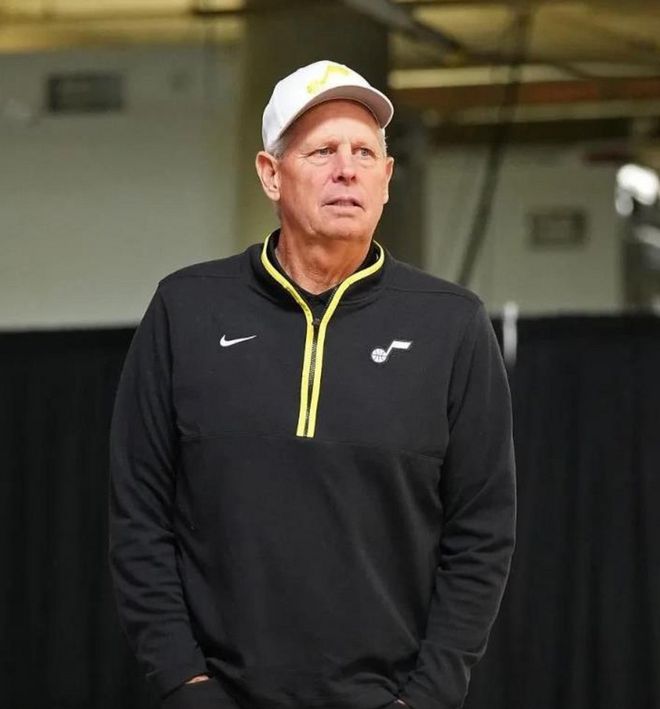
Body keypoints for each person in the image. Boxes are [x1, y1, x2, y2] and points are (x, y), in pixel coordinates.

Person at [109, 59, 516, 709]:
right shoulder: (185, 310)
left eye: (364, 152)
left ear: (387, 177)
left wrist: (430, 695)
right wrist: (184, 681)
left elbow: (481, 532)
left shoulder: (452, 324)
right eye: (322, 151)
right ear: (271, 174)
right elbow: (140, 513)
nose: (347, 170)